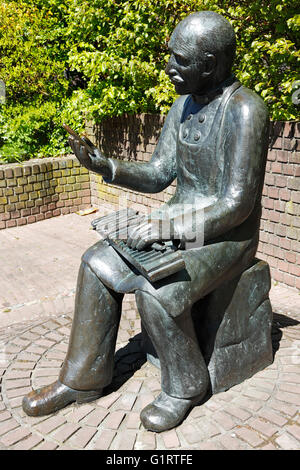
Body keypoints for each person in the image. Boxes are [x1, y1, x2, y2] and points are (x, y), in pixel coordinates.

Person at [22, 11, 269, 432]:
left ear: (209, 64)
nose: (169, 68)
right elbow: (158, 174)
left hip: (227, 235)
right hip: (177, 223)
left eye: (180, 61)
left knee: (159, 289)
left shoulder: (246, 110)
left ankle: (186, 386)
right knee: (96, 262)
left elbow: (237, 204)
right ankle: (82, 379)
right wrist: (106, 167)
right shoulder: (183, 105)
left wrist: (167, 228)